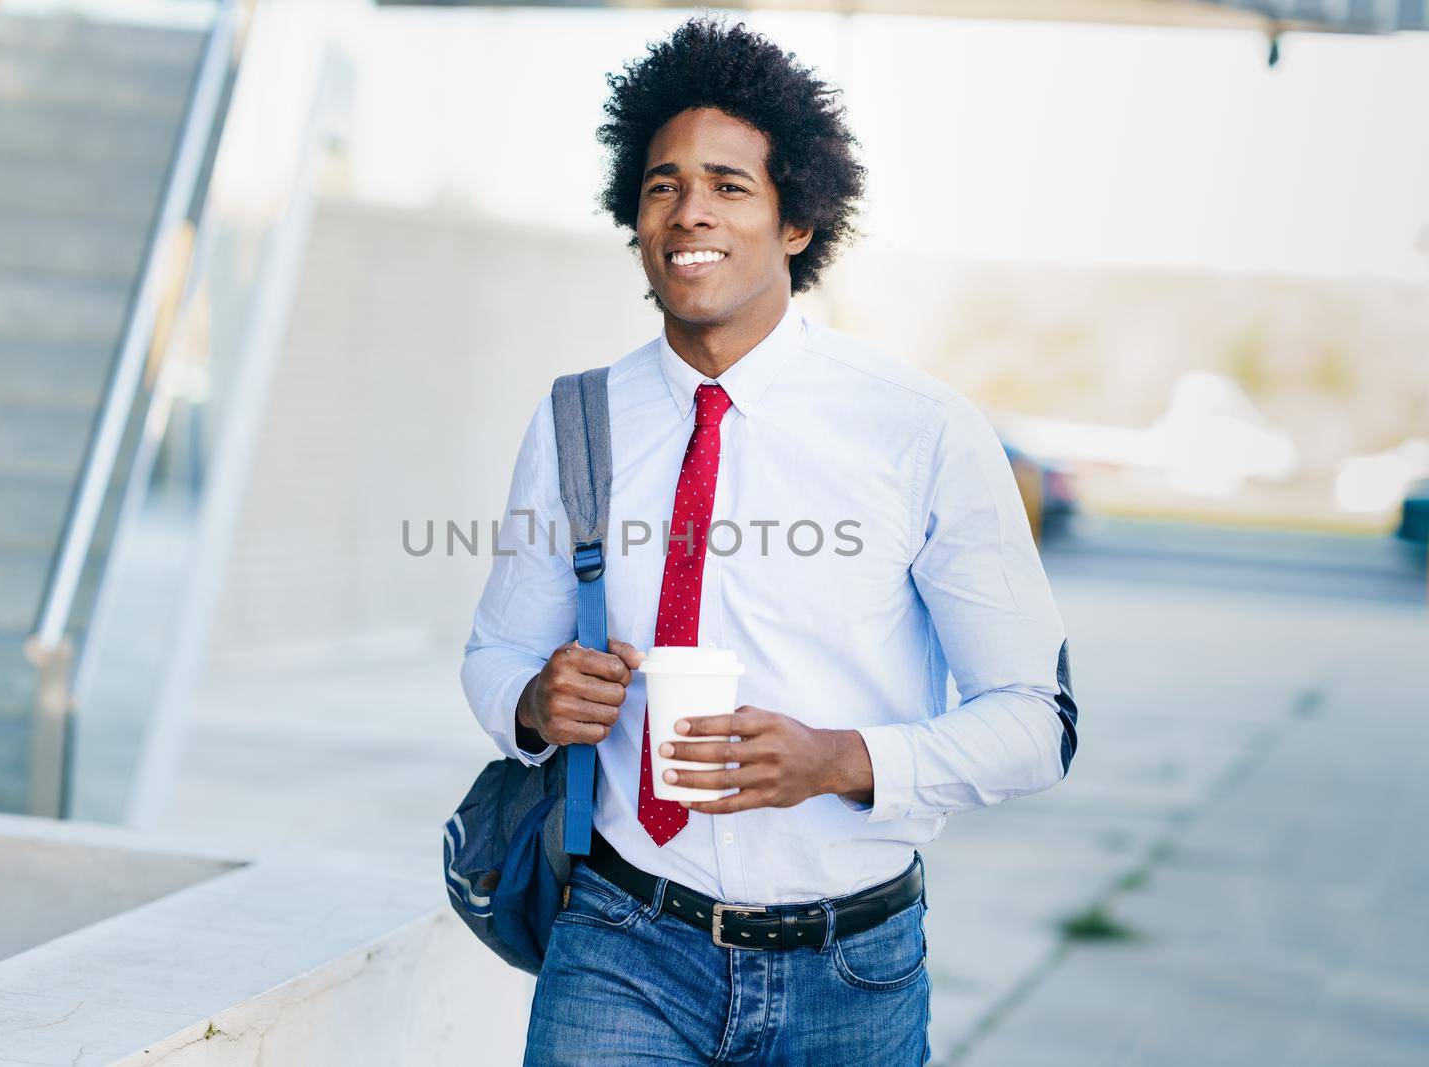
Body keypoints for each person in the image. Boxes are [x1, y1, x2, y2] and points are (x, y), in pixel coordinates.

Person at [461, 15, 1079, 1065]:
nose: (689, 210)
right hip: (619, 936)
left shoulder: (918, 428)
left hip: (851, 967)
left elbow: (1038, 721)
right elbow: (492, 658)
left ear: (796, 222)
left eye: (728, 184)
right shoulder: (578, 418)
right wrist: (534, 699)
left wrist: (839, 758)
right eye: (662, 185)